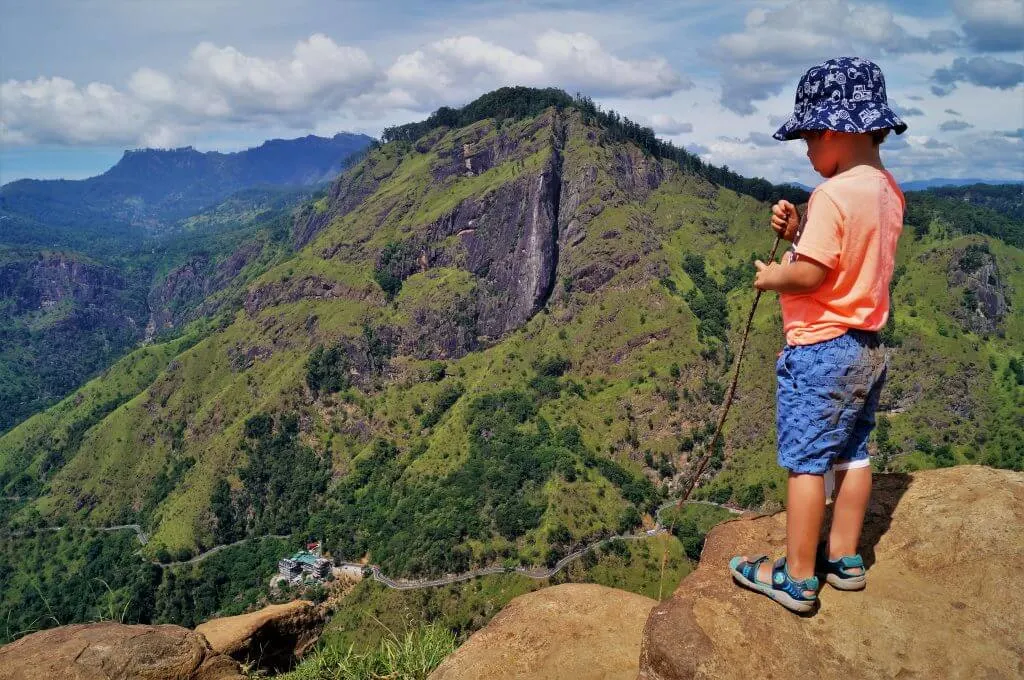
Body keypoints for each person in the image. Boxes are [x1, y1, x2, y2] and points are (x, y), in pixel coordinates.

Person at [728, 57, 908, 613]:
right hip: (867, 347)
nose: (806, 149)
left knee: (806, 460)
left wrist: (772, 274)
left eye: (808, 137)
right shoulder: (886, 190)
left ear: (834, 128)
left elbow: (812, 273)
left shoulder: (830, 194)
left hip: (822, 349)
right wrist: (798, 229)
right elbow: (848, 252)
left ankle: (799, 577)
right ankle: (846, 558)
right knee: (853, 453)